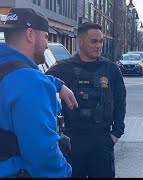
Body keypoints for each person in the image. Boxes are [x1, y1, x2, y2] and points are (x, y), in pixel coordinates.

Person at [0, 8, 78, 177]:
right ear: (30, 35)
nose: (47, 45)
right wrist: (65, 173)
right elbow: (43, 155)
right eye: (46, 37)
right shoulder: (32, 83)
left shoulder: (10, 73)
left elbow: (13, 78)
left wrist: (57, 84)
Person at [46, 22, 127, 178]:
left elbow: (120, 101)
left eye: (101, 41)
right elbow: (39, 86)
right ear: (80, 41)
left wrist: (116, 133)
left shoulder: (110, 69)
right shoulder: (62, 69)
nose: (99, 45)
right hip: (72, 141)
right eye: (94, 41)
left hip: (102, 141)